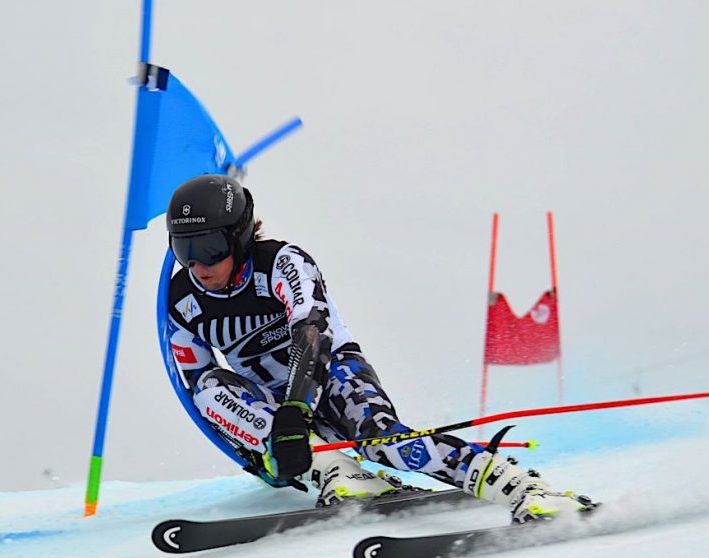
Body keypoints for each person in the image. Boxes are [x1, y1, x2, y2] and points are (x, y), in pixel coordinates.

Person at [166, 174, 595, 522]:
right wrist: (260, 452)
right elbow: (199, 388)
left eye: (210, 248)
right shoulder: (182, 300)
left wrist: (296, 411)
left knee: (382, 444)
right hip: (275, 413)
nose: (199, 266)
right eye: (184, 250)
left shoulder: (283, 262)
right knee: (208, 389)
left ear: (239, 238)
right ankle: (335, 471)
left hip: (330, 375)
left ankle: (520, 487)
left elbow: (312, 332)